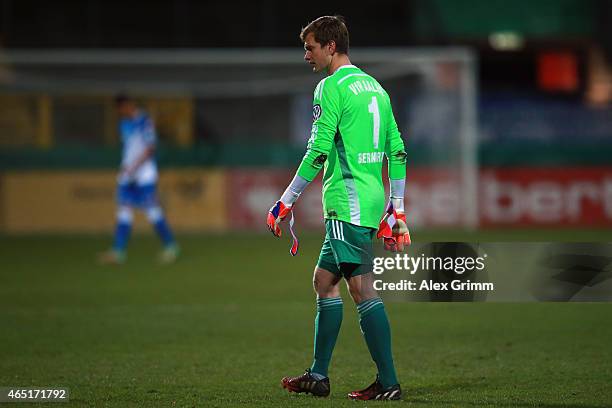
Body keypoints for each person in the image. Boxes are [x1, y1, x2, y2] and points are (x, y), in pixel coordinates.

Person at [266, 16, 410, 401]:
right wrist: (396, 208)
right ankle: (318, 375)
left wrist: (286, 200)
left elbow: (318, 150)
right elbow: (397, 149)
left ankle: (389, 381)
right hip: (369, 199)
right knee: (323, 281)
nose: (306, 55)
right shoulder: (376, 88)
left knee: (362, 289)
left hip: (347, 201)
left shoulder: (330, 87)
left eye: (310, 47)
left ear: (331, 46)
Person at [99, 94, 178, 264]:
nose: (120, 112)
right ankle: (118, 252)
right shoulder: (124, 124)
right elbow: (129, 149)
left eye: (121, 108)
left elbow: (150, 148)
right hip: (128, 175)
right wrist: (126, 168)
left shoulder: (144, 121)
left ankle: (171, 246)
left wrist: (135, 167)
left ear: (128, 105)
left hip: (144, 175)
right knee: (123, 211)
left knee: (152, 212)